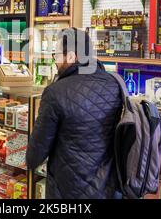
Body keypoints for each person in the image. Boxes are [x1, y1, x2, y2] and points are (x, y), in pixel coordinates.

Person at [26, 27, 122, 199]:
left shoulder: (55, 92)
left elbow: (35, 155)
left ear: (71, 56)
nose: (55, 61)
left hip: (68, 189)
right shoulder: (114, 83)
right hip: (108, 187)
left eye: (56, 55)